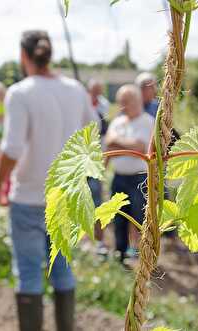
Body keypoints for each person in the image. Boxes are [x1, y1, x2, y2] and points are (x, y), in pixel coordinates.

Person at [0, 30, 97, 331]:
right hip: (65, 196)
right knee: (63, 270)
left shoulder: (20, 92)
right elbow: (92, 137)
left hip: (27, 196)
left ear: (23, 56)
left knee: (28, 273)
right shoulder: (76, 90)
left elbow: (12, 149)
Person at [105, 84, 155, 264]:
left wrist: (117, 143)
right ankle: (120, 253)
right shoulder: (118, 121)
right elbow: (109, 146)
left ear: (137, 101)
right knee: (118, 216)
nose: (123, 106)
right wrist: (125, 145)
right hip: (119, 177)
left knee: (138, 216)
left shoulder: (147, 121)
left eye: (126, 102)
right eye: (121, 102)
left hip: (139, 177)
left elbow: (140, 147)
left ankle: (140, 254)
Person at [87, 79, 109, 256]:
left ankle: (100, 241)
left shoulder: (103, 107)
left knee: (96, 201)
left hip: (95, 160)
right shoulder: (81, 103)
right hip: (80, 160)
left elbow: (102, 130)